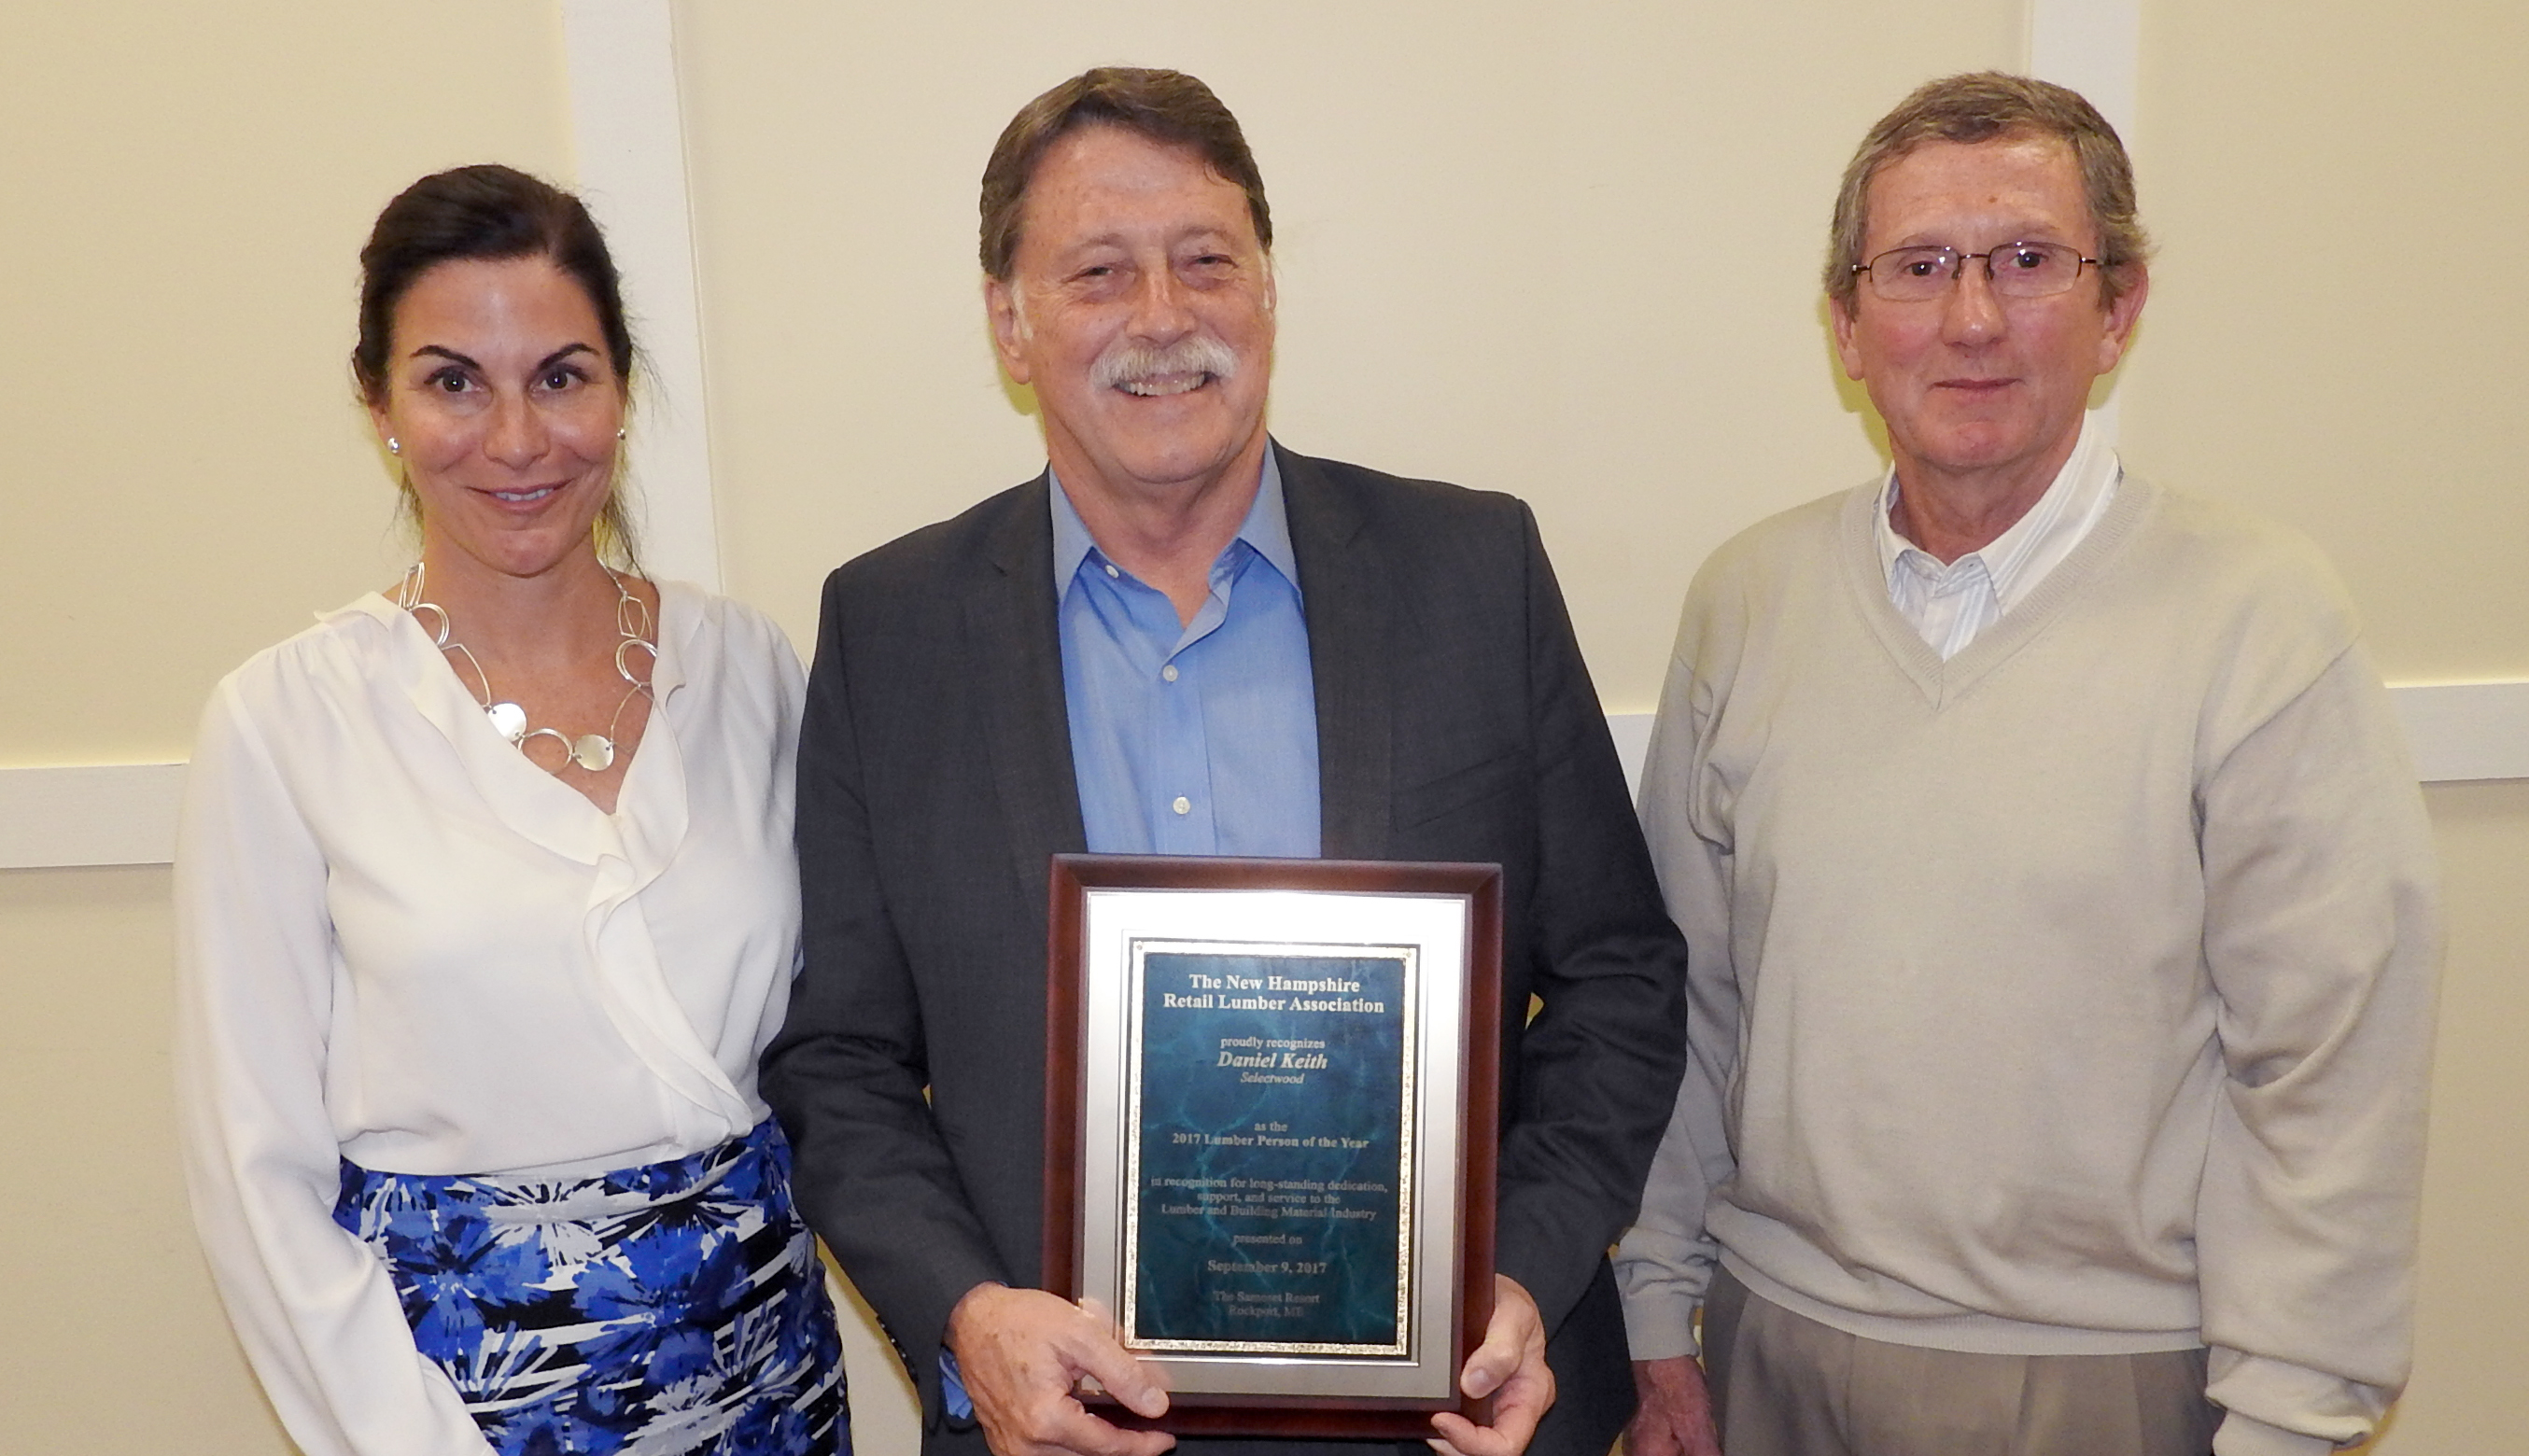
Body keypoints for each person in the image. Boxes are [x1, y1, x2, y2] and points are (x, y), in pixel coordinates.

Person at [761, 67, 1689, 1456]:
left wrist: (1518, 1281)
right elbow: (838, 1061)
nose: (1162, 317)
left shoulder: (1470, 572)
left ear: (1265, 292)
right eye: (1096, 272)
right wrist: (967, 1316)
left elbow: (1620, 975)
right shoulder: (891, 629)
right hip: (1069, 1430)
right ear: (1009, 326)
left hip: (1456, 1418)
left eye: (1207, 261)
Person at [1614, 72, 2439, 1456]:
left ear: (2116, 310)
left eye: (2028, 262)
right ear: (1844, 323)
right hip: (1771, 1356)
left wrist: (2291, 1421)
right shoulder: (1746, 600)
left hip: (2113, 1380)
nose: (1972, 317)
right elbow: (1688, 1010)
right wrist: (1656, 1328)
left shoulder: (2255, 614)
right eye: (1918, 267)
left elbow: (2329, 1067)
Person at [176, 164, 847, 1456]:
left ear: (621, 388)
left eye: (560, 374)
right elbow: (252, 1175)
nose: (519, 439)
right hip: (461, 1400)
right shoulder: (286, 721)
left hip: (770, 1378)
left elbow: (833, 1041)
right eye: (451, 382)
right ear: (377, 403)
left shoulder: (749, 668)